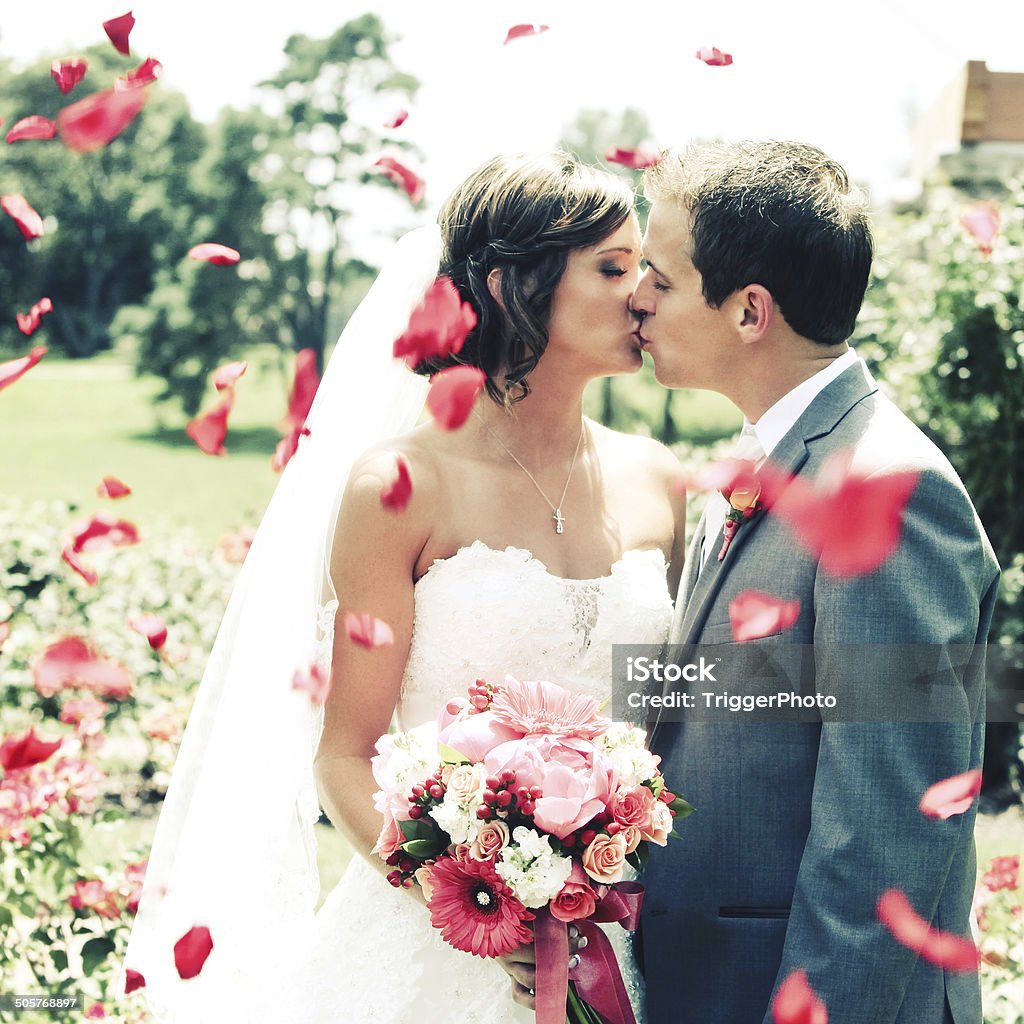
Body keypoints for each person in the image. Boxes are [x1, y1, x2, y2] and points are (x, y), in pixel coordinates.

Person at [123, 151, 686, 1024]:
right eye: (612, 267)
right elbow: (343, 756)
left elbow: (685, 721)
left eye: (643, 267)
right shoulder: (401, 486)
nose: (643, 292)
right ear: (510, 286)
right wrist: (474, 905)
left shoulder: (661, 481)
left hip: (623, 941)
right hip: (434, 953)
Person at [631, 140, 1000, 1024]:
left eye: (661, 277)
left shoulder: (890, 494)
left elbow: (885, 835)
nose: (635, 297)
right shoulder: (767, 459)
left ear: (750, 311)